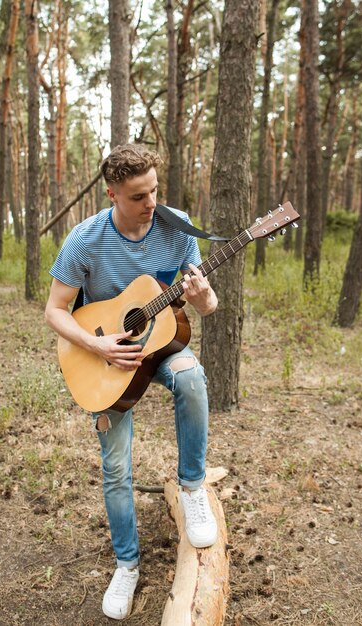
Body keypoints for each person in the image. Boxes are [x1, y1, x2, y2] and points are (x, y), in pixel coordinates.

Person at [45, 143, 218, 621]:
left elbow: (206, 306)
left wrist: (203, 298)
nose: (151, 204)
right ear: (113, 194)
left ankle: (191, 489)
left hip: (160, 348)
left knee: (193, 378)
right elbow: (54, 310)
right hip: (106, 360)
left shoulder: (176, 225)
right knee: (117, 466)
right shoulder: (84, 240)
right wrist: (98, 346)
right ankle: (126, 564)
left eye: (155, 191)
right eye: (139, 196)